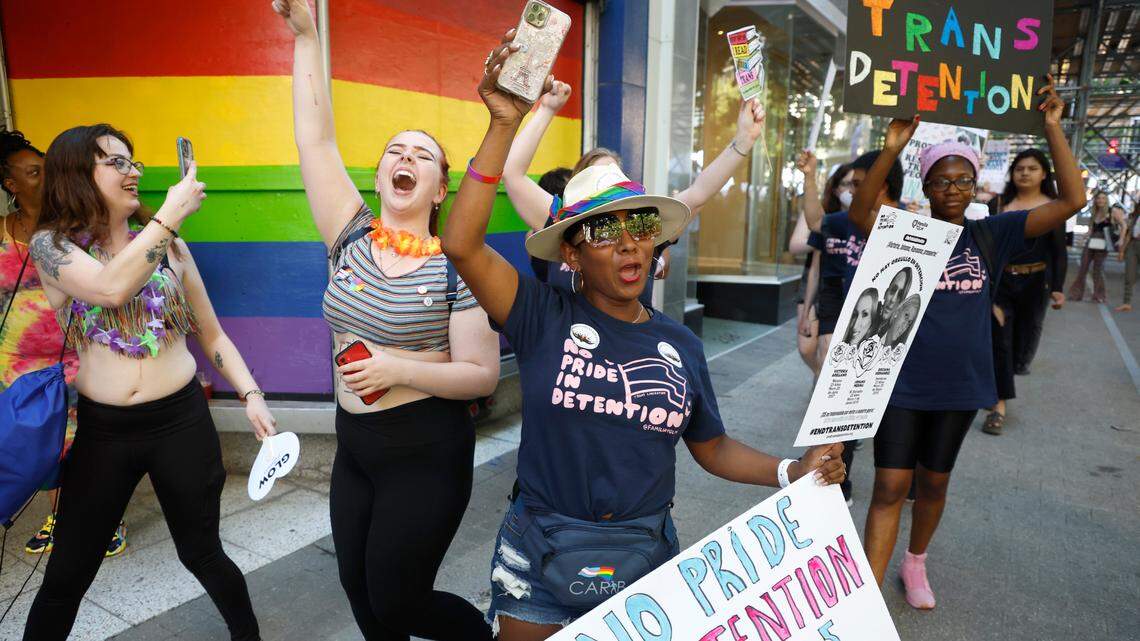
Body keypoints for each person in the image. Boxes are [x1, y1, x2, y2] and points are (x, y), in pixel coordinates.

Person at [441, 33, 846, 641]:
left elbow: (712, 447)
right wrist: (504, 122)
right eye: (606, 232)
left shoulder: (679, 344)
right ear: (571, 255)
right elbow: (461, 244)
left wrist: (793, 471)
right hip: (539, 557)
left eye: (641, 228)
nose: (630, 242)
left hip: (645, 561)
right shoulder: (539, 314)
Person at [273, 2, 502, 640]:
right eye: (394, 152)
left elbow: (482, 376)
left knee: (399, 599)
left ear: (438, 190)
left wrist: (398, 366)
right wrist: (306, 37)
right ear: (380, 176)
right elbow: (314, 138)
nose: (405, 158)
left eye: (422, 156)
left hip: (426, 450)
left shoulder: (459, 264)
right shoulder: (347, 235)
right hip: (357, 446)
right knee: (360, 590)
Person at [22, 124, 274, 641]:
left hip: (181, 422)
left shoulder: (172, 249)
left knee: (202, 552)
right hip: (104, 432)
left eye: (133, 162)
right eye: (116, 161)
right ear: (76, 173)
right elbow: (110, 288)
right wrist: (170, 215)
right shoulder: (52, 247)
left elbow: (212, 333)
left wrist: (251, 394)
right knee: (68, 572)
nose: (133, 171)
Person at [850, 75, 1085, 611]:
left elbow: (1073, 199)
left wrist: (1052, 128)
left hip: (960, 384)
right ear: (926, 188)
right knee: (889, 485)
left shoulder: (993, 233)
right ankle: (865, 593)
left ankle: (915, 563)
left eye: (961, 180)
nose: (952, 189)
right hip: (902, 380)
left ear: (974, 185)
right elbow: (861, 214)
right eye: (941, 181)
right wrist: (892, 149)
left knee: (932, 484)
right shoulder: (907, 230)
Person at [502, 79, 766, 304]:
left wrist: (743, 140)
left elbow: (698, 192)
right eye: (600, 180)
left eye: (618, 178)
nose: (628, 244)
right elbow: (512, 173)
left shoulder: (643, 231)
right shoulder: (563, 225)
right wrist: (547, 109)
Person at [0, 131, 130, 558]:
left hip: (77, 354)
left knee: (87, 444)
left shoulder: (76, 233)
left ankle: (105, 518)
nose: (46, 177)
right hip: (18, 364)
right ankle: (60, 515)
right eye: (34, 171)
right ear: (10, 183)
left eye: (48, 169)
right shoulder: (1, 233)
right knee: (44, 445)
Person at [802, 150, 904, 506]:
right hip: (845, 324)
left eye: (861, 184)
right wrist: (810, 175)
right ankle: (836, 479)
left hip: (889, 335)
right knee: (840, 409)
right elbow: (815, 221)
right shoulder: (841, 221)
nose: (853, 190)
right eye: (851, 184)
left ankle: (907, 477)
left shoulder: (909, 227)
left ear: (885, 185)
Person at [982, 149, 1068, 435]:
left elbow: (1058, 253)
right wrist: (987, 293)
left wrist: (1057, 289)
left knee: (1022, 345)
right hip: (1001, 284)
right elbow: (987, 251)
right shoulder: (998, 204)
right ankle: (998, 407)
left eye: (1032, 168)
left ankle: (999, 384)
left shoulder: (1054, 207)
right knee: (1001, 342)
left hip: (1036, 284)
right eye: (1019, 168)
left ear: (1044, 173)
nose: (1025, 173)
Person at [790, 158, 854, 377]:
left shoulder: (870, 220)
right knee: (809, 349)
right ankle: (819, 380)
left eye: (856, 184)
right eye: (846, 184)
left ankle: (823, 387)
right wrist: (806, 311)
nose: (851, 190)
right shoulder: (825, 218)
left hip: (849, 296)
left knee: (829, 354)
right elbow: (814, 266)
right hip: (824, 292)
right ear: (836, 189)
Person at [1068, 190, 1112, 303]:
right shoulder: (1094, 212)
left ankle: (1099, 296)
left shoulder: (1112, 212)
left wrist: (1121, 239)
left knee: (1098, 270)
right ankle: (1076, 294)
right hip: (1091, 242)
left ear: (1106, 200)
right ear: (1095, 200)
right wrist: (1083, 239)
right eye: (1098, 198)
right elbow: (1091, 229)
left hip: (1103, 243)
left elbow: (1123, 224)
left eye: (1103, 198)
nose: (1100, 200)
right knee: (1083, 267)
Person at [1116, 201, 1140, 312]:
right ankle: (1127, 303)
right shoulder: (1135, 217)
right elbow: (1129, 234)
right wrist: (1122, 251)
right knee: (1129, 274)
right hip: (1133, 245)